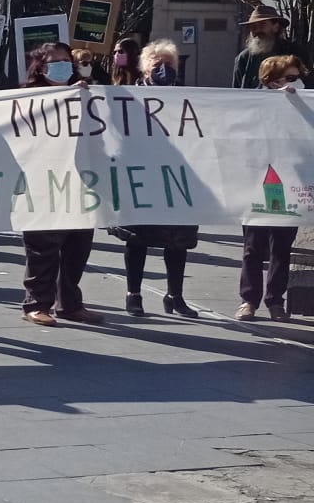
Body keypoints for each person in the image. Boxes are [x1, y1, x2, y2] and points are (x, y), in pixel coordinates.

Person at [112, 39, 198, 319]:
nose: (163, 69)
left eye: (169, 64)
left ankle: (175, 296)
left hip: (176, 178)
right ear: (144, 68)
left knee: (178, 240)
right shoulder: (126, 98)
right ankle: (133, 294)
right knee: (138, 239)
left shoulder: (187, 100)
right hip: (141, 176)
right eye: (156, 64)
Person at [19, 41, 102, 327]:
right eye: (55, 61)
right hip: (42, 182)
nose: (63, 65)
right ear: (41, 67)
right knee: (43, 246)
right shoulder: (27, 97)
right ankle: (36, 303)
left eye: (67, 60)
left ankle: (69, 303)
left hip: (80, 182)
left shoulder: (86, 93)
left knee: (78, 245)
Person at [239, 53, 306, 321]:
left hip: (290, 181)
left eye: (298, 77)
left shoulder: (304, 103)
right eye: (290, 78)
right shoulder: (251, 106)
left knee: (281, 245)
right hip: (258, 180)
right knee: (253, 245)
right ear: (270, 81)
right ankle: (248, 300)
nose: (297, 82)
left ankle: (275, 301)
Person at [233, 5, 308, 89]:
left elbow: (308, 87)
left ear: (276, 27)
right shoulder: (244, 58)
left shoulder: (295, 52)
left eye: (262, 25)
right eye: (253, 27)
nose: (257, 31)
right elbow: (236, 92)